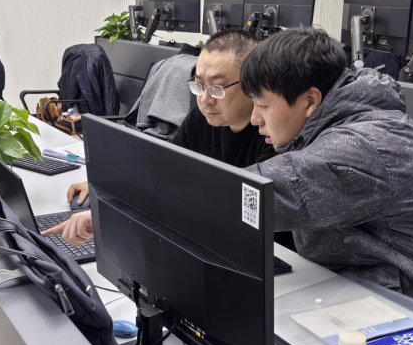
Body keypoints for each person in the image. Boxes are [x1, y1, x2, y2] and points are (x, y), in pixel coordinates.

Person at [239, 26, 413, 319]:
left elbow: (254, 191)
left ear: (310, 100)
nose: (255, 118)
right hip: (378, 290)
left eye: (262, 105)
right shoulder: (347, 122)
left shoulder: (362, 146)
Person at [41, 29, 278, 245]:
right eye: (198, 85)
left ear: (252, 83)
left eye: (217, 88)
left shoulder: (273, 136)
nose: (205, 100)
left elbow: (244, 212)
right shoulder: (203, 118)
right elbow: (164, 173)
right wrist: (108, 194)